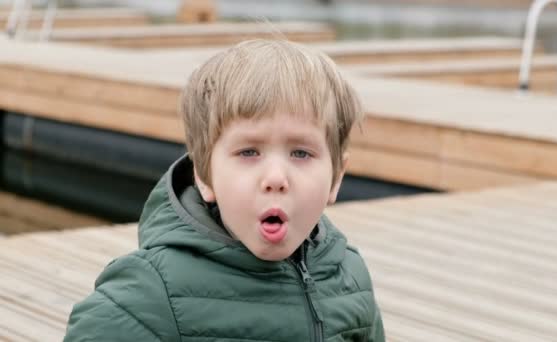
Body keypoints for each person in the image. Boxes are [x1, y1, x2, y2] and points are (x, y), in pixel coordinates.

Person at [64, 39, 385, 341]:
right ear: (204, 176)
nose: (275, 177)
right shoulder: (154, 288)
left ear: (336, 177)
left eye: (301, 153)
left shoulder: (349, 276)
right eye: (249, 152)